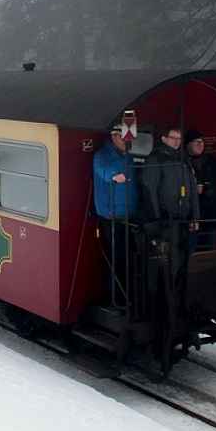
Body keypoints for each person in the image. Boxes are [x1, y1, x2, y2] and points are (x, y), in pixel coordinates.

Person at [92, 123, 138, 303]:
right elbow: (105, 172)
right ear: (114, 137)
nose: (127, 141)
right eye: (124, 137)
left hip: (129, 212)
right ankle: (116, 298)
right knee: (118, 256)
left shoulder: (128, 158)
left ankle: (128, 294)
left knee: (130, 255)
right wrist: (114, 176)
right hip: (111, 215)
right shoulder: (102, 156)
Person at [138, 124, 200, 248]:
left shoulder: (184, 160)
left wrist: (195, 217)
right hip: (165, 219)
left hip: (184, 218)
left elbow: (193, 189)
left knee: (187, 255)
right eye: (173, 138)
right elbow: (150, 191)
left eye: (179, 138)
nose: (177, 142)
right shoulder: (154, 160)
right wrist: (156, 220)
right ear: (164, 139)